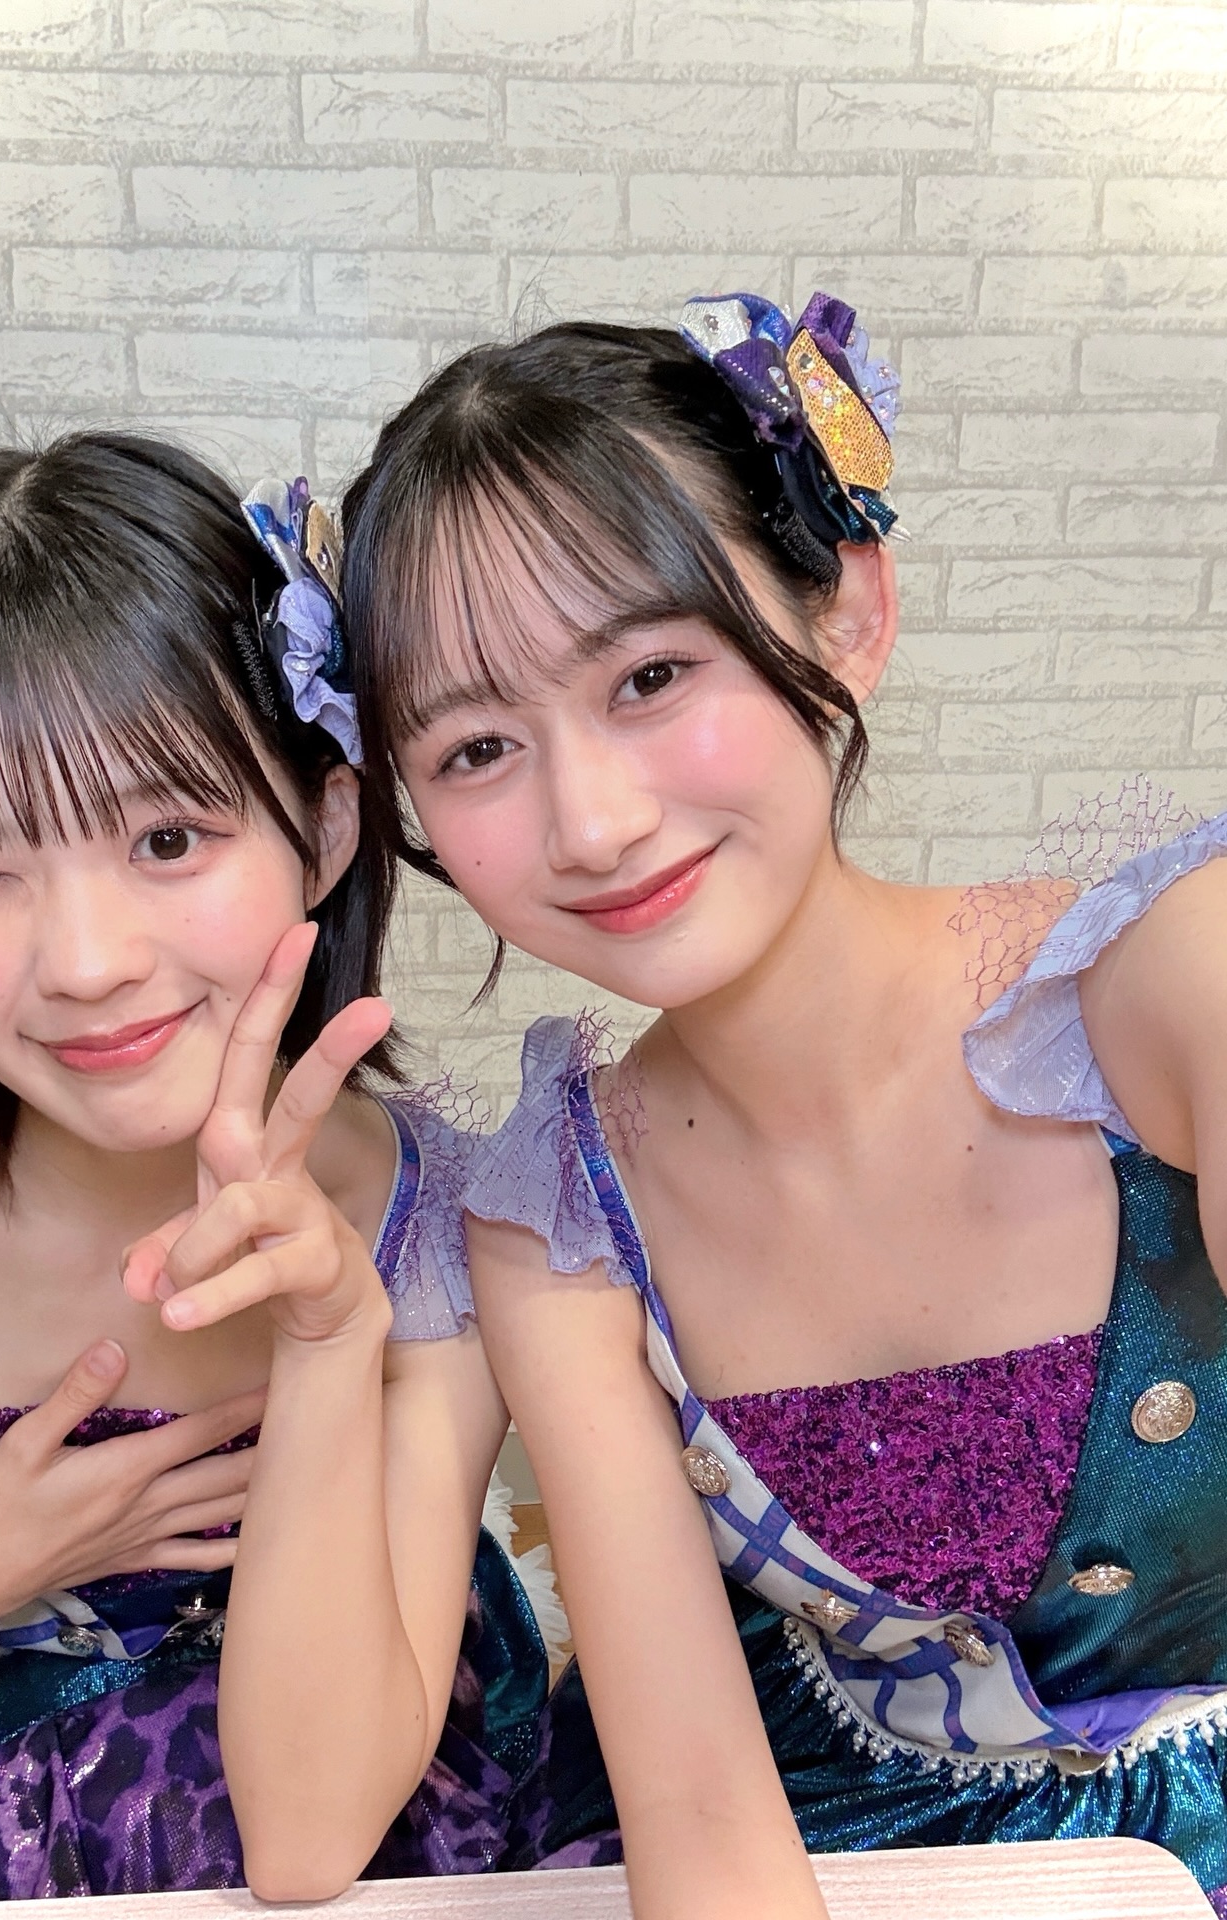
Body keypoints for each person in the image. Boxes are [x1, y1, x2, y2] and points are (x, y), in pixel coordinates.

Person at [340, 290, 1227, 1920]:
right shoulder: (553, 1220)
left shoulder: (1167, 981)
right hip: (827, 1854)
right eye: (473, 750)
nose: (592, 822)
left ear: (850, 612)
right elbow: (700, 1810)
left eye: (650, 673)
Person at [0, 435, 545, 1906]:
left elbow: (309, 1838)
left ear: (326, 825)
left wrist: (330, 1342)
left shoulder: (447, 1225)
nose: (86, 964)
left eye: (167, 837)